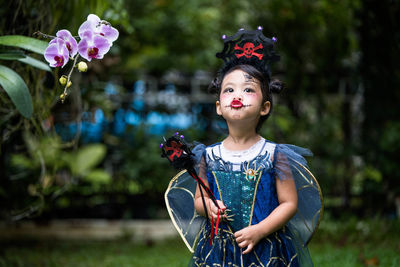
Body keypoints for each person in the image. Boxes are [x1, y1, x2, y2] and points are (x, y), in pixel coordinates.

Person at [164, 27, 322, 267]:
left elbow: (289, 203)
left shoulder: (275, 155)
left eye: (248, 89)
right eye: (229, 89)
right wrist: (210, 208)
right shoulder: (208, 155)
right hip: (219, 248)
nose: (237, 95)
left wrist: (259, 230)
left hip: (266, 246)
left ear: (265, 107)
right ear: (219, 106)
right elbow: (199, 199)